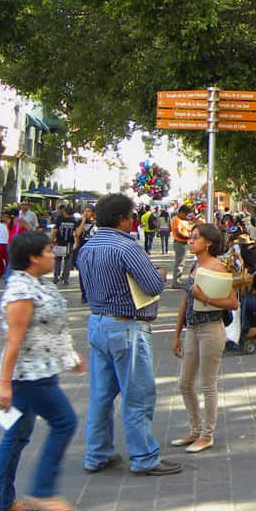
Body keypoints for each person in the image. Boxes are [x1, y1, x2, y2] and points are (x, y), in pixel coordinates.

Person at [75, 193, 180, 476]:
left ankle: (97, 453)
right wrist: (161, 275)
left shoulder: (87, 247)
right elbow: (152, 286)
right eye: (132, 216)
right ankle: (144, 456)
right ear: (122, 218)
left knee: (101, 394)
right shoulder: (127, 247)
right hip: (126, 326)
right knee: (138, 394)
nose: (133, 221)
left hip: (97, 322)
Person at [0, 231, 82, 511]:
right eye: (49, 251)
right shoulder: (20, 291)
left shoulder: (39, 284)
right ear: (33, 257)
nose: (54, 255)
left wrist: (70, 355)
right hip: (28, 375)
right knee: (65, 422)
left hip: (42, 369)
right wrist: (4, 385)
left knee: (16, 435)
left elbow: (51, 328)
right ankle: (42, 489)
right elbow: (14, 340)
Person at [171, 223, 237, 454]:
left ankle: (207, 434)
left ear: (207, 242)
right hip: (192, 329)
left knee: (208, 384)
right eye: (190, 238)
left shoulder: (218, 268)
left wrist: (206, 298)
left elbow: (233, 302)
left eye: (195, 238)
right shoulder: (193, 267)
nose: (190, 241)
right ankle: (195, 428)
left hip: (211, 328)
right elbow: (185, 301)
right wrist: (177, 333)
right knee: (185, 382)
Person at [51, 208, 77, 285]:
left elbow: (55, 230)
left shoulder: (59, 219)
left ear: (65, 212)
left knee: (58, 260)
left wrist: (51, 240)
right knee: (68, 261)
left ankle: (56, 276)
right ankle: (65, 278)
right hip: (69, 243)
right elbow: (75, 232)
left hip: (60, 242)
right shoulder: (73, 220)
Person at [171, 205, 193, 286]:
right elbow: (178, 233)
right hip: (179, 243)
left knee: (181, 263)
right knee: (179, 263)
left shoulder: (180, 220)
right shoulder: (176, 220)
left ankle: (177, 281)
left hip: (182, 243)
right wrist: (188, 237)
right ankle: (176, 282)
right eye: (185, 214)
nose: (186, 216)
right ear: (181, 212)